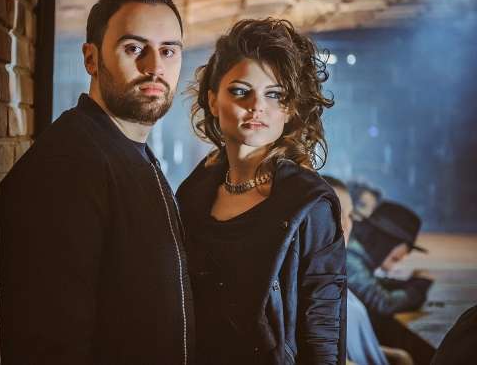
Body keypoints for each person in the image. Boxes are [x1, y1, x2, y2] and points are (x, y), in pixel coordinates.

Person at [0, 0, 193, 365]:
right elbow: (49, 348)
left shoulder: (129, 153)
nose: (155, 67)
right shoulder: (65, 167)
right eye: (134, 48)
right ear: (91, 58)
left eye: (168, 51)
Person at [177, 18, 346, 365]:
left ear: (290, 108)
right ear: (213, 100)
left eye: (275, 94)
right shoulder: (193, 193)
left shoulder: (309, 204)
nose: (257, 106)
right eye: (241, 91)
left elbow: (322, 332)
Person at [324, 176, 413, 365]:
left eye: (350, 215)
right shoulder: (317, 279)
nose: (348, 224)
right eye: (339, 214)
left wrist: (398, 356)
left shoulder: (333, 271)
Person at [347, 201, 433, 317]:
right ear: (385, 244)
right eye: (394, 259)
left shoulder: (352, 252)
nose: (389, 268)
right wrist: (418, 289)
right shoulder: (349, 257)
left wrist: (407, 283)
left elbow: (368, 281)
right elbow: (384, 304)